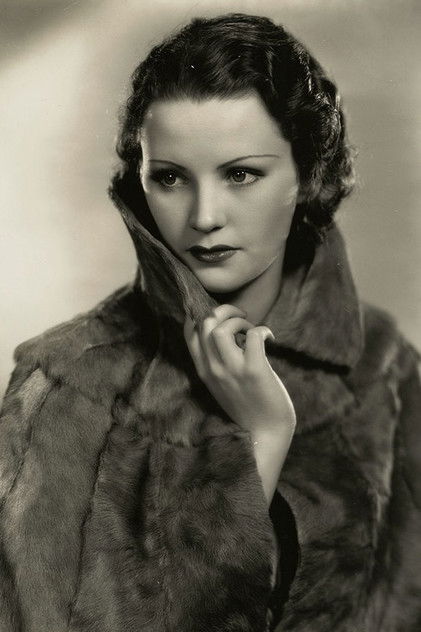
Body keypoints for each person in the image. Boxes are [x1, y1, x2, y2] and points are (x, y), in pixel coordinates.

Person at [0, 12, 420, 632]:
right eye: (170, 178)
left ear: (307, 176)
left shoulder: (383, 365)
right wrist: (263, 437)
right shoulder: (67, 385)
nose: (203, 216)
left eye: (240, 174)